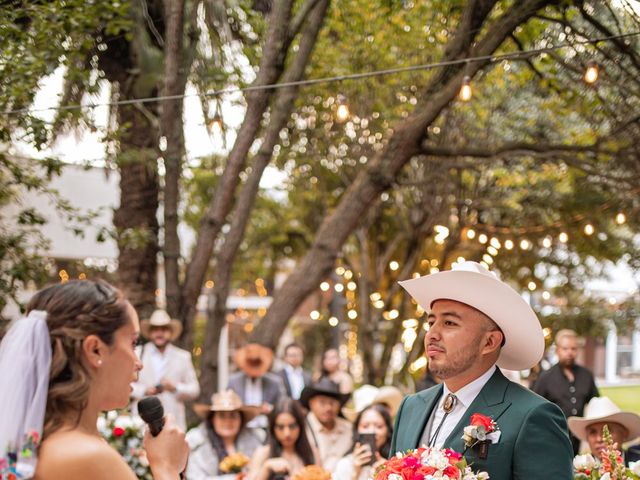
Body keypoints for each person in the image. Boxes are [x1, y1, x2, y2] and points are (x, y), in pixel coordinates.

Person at [390, 261, 573, 480]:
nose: (432, 334)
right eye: (431, 322)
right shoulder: (410, 408)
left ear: (489, 342)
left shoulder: (533, 416)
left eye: (449, 323)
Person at [0, 280, 188, 480]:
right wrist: (166, 467)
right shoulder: (85, 456)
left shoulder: (39, 441)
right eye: (133, 343)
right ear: (95, 349)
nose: (138, 362)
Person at [131, 309, 200, 431]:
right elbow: (125, 385)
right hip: (141, 422)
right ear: (150, 332)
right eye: (155, 329)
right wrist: (144, 391)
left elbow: (194, 389)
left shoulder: (183, 356)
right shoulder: (137, 353)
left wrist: (174, 387)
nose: (159, 333)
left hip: (173, 422)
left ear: (170, 332)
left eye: (164, 329)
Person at [533, 329, 599, 454]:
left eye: (573, 349)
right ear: (557, 350)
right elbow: (534, 410)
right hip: (552, 438)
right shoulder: (545, 377)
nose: (569, 352)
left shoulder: (587, 375)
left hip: (577, 439)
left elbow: (595, 404)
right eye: (565, 348)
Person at [185, 389, 262, 479]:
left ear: (241, 419)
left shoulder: (256, 439)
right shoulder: (196, 442)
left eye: (233, 416)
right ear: (212, 419)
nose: (227, 421)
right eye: (222, 416)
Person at [247, 399, 318, 480]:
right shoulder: (263, 453)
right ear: (273, 428)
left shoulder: (312, 452)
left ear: (300, 426)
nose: (287, 433)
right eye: (281, 427)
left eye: (292, 426)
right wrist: (266, 468)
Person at [228, 343, 286, 438]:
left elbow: (283, 405)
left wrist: (270, 409)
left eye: (256, 364)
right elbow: (227, 404)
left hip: (267, 429)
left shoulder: (275, 382)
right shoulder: (233, 381)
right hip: (241, 428)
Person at [567, 396, 640, 465]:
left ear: (624, 434)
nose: (599, 439)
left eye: (607, 431)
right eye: (592, 432)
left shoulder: (637, 463)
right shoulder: (576, 472)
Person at [300, 377, 352, 472]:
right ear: (311, 403)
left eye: (332, 403)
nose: (328, 408)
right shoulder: (300, 428)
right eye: (322, 402)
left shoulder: (349, 428)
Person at [333, 404, 393, 480]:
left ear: (388, 431)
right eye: (365, 426)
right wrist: (355, 474)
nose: (371, 431)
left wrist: (389, 472)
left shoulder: (397, 463)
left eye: (379, 426)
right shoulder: (345, 464)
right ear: (357, 430)